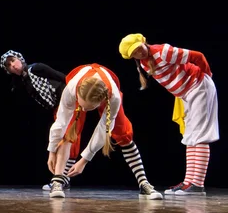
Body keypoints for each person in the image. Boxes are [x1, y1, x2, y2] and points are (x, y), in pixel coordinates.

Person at [119, 33, 218, 196]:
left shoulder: (163, 51)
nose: (139, 53)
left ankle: (197, 184)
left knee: (200, 135)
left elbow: (197, 56)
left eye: (139, 48)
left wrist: (207, 74)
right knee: (190, 136)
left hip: (199, 87)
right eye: (134, 53)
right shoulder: (143, 64)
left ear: (144, 42)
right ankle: (189, 182)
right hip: (187, 94)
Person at [47, 63, 163, 200]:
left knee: (123, 133)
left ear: (100, 102)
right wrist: (52, 150)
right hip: (80, 90)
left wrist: (84, 160)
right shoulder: (72, 89)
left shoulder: (113, 98)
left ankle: (144, 183)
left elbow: (103, 130)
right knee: (68, 133)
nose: (83, 111)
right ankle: (58, 181)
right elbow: (60, 123)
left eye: (88, 108)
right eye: (82, 106)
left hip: (108, 93)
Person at [0, 50, 80, 191]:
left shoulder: (36, 68)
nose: (13, 65)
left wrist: (78, 93)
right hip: (58, 108)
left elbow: (62, 77)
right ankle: (63, 180)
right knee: (65, 140)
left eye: (13, 60)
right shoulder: (22, 81)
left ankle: (60, 180)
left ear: (20, 58)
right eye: (9, 65)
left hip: (68, 101)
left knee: (67, 139)